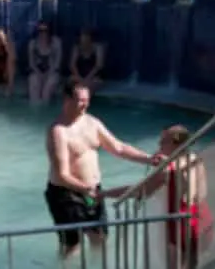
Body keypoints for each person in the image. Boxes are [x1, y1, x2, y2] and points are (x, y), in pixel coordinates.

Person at [44, 79, 161, 258]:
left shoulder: (92, 123)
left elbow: (118, 148)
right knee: (72, 246)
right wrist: (85, 189)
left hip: (92, 191)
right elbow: (61, 175)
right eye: (80, 100)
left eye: (87, 99)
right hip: (66, 193)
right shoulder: (58, 131)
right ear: (66, 99)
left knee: (100, 238)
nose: (85, 104)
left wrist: (148, 159)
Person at [103, 125, 213, 268]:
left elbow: (140, 190)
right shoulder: (195, 159)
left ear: (176, 144)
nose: (159, 145)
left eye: (163, 142)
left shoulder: (168, 168)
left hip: (180, 223)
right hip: (202, 218)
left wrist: (104, 194)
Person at [28, 21, 62, 104]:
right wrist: (40, 74)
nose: (43, 33)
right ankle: (35, 109)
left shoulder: (56, 42)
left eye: (45, 30)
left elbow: (57, 63)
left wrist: (47, 74)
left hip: (52, 71)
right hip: (37, 71)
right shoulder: (33, 43)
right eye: (40, 30)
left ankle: (45, 107)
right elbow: (31, 63)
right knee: (33, 82)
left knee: (47, 88)